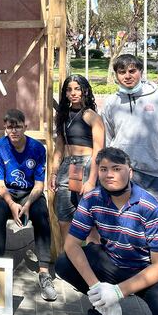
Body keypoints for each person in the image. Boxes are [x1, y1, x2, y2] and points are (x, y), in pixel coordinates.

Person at [55, 147, 158, 315]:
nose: (109, 174)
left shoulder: (152, 209)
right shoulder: (91, 199)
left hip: (146, 270)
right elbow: (71, 245)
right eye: (103, 169)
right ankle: (101, 305)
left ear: (130, 172)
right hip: (113, 261)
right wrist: (98, 290)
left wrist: (117, 292)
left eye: (117, 168)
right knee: (64, 264)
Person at [0, 109, 57, 301]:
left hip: (30, 193)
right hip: (8, 193)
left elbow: (39, 184)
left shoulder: (37, 148)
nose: (14, 130)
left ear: (25, 127)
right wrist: (11, 203)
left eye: (17, 126)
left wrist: (27, 204)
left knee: (42, 214)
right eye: (10, 127)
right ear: (5, 128)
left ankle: (44, 272)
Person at [102, 54, 158, 220]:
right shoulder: (111, 103)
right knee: (130, 227)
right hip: (125, 176)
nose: (127, 76)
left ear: (141, 71)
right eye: (122, 72)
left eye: (132, 71)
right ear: (116, 75)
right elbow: (107, 139)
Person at [48, 75, 105, 244]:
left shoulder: (91, 116)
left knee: (89, 221)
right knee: (64, 219)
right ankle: (69, 263)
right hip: (67, 166)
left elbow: (99, 151)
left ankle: (92, 263)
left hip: (87, 166)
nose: (73, 93)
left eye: (77, 89)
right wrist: (53, 173)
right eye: (69, 89)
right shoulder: (63, 116)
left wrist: (92, 181)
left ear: (85, 91)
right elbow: (59, 146)